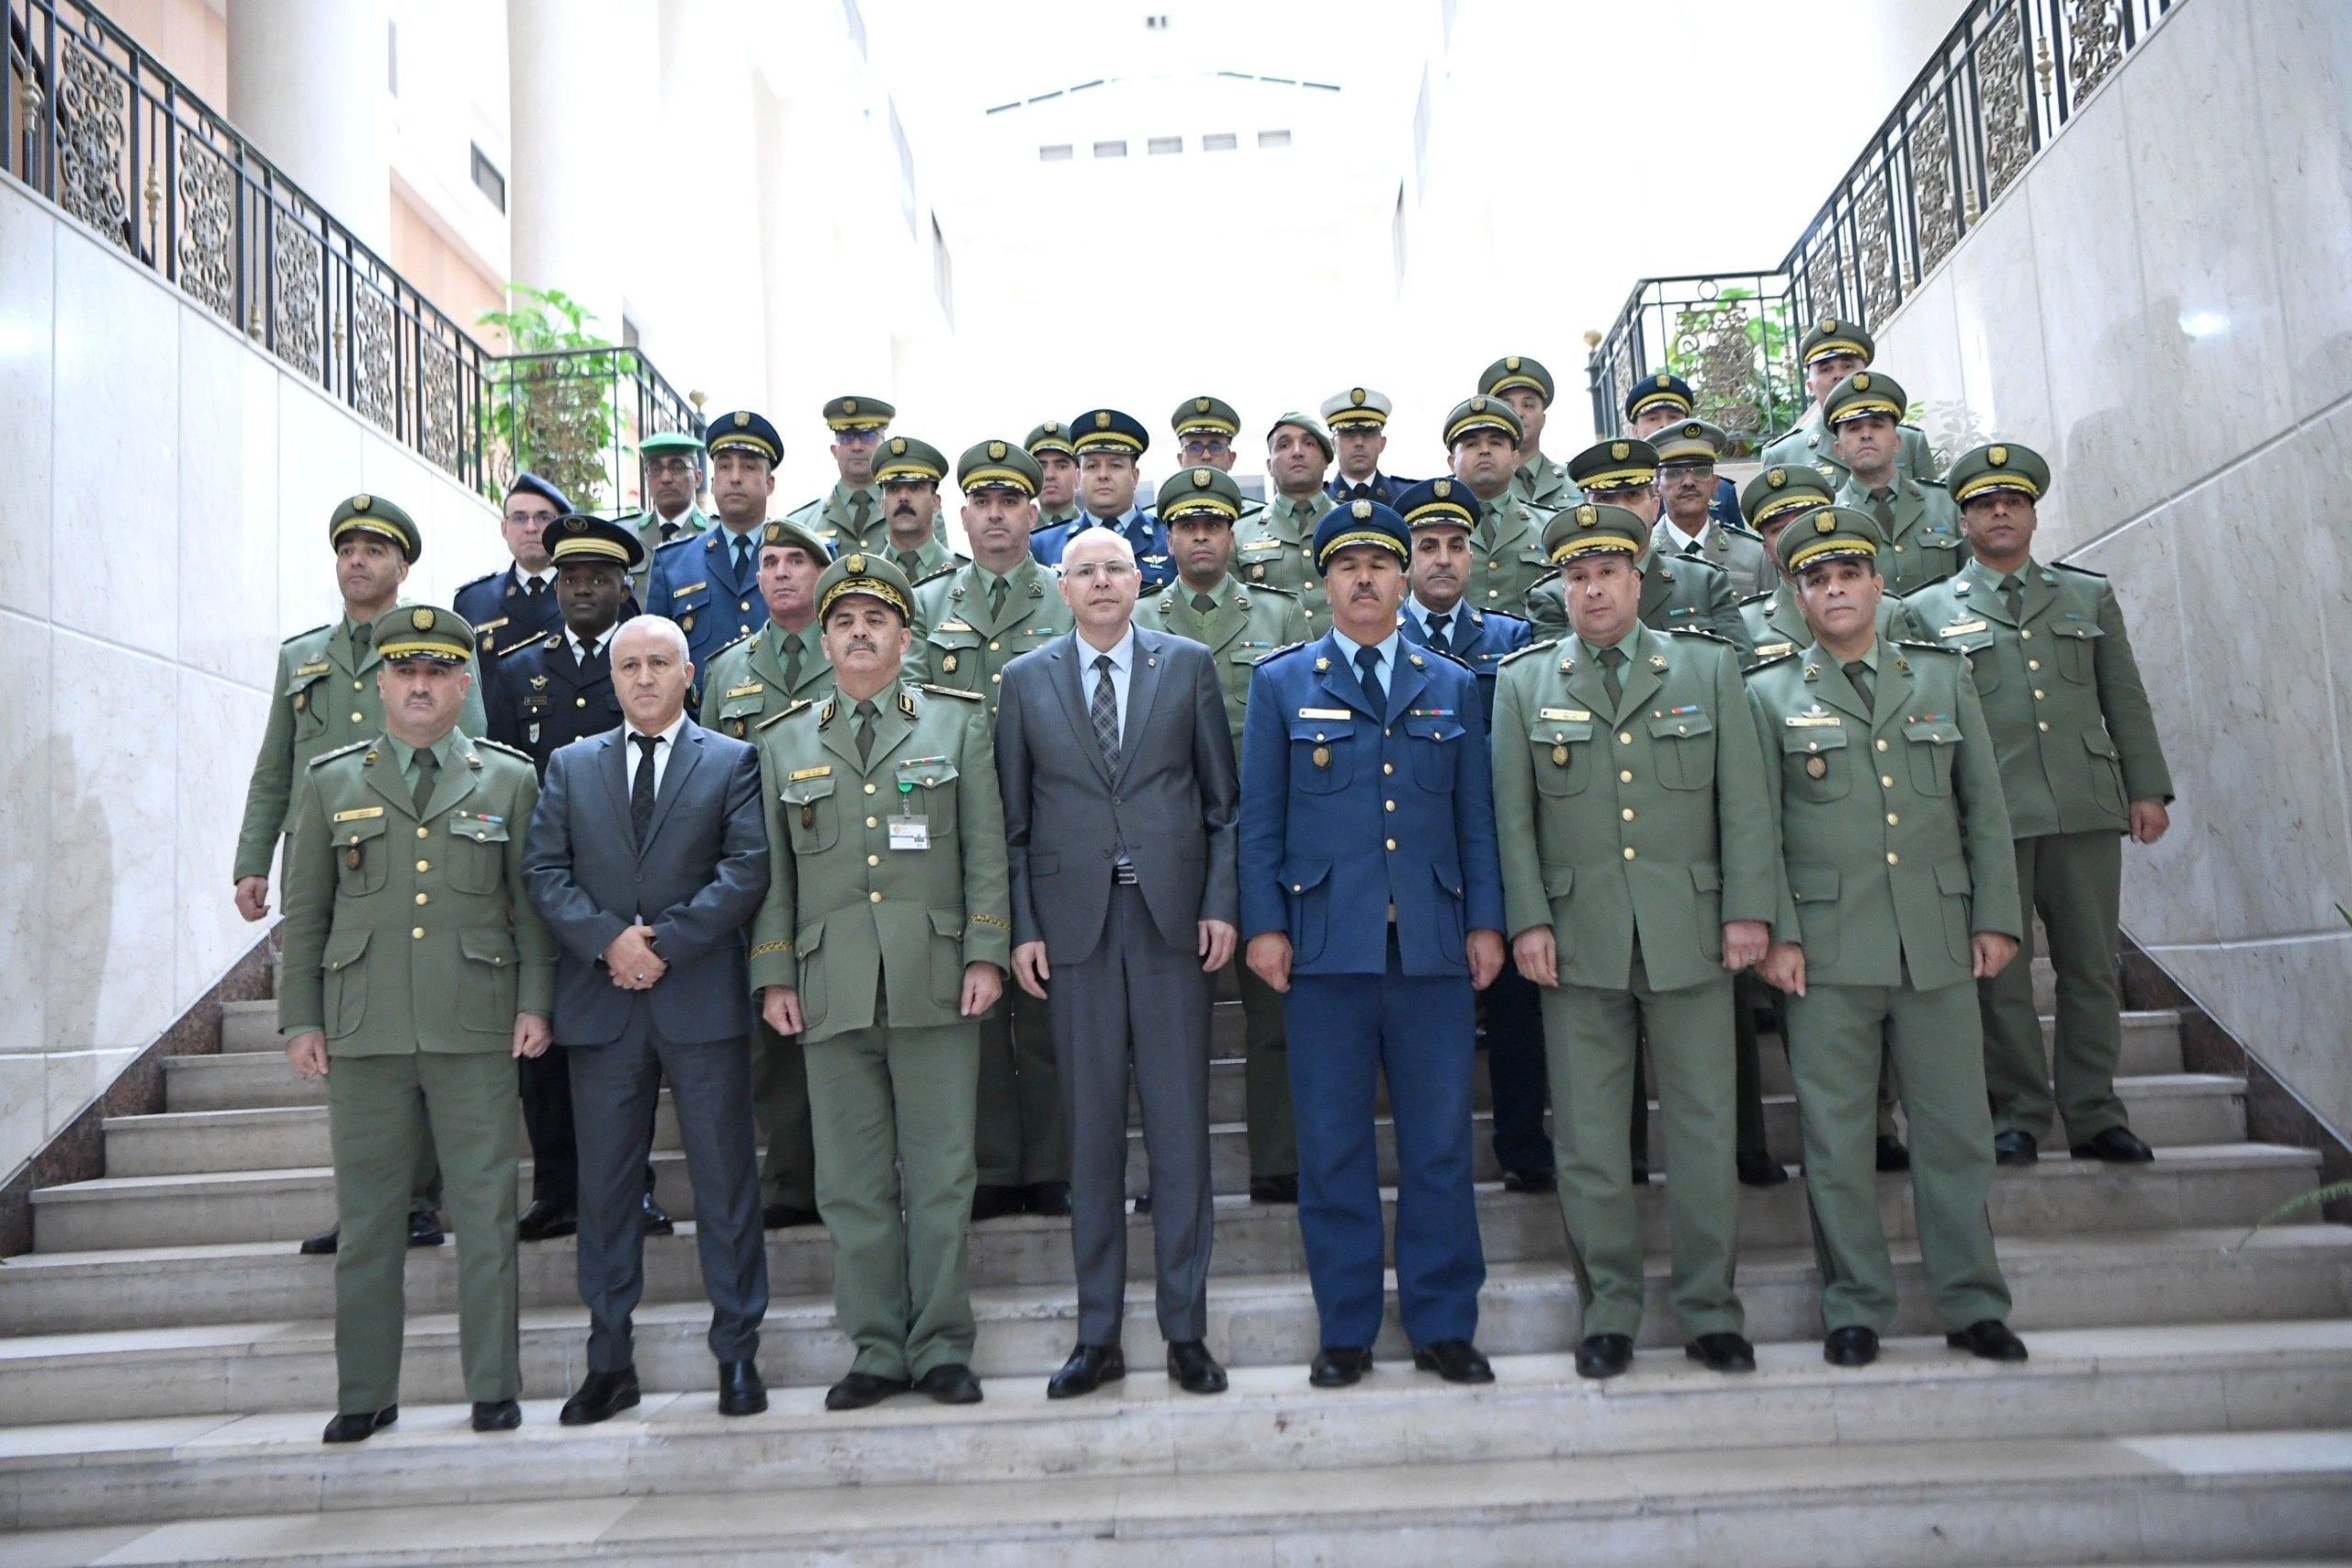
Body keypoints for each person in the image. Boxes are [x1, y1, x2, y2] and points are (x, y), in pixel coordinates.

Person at [1490, 502, 1779, 1381]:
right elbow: (1514, 820)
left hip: (1692, 933)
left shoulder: (1706, 665)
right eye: (1576, 576)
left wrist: (1749, 909)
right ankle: (1609, 1308)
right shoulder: (1523, 682)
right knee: (1588, 1140)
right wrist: (1529, 919)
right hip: (1579, 942)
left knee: (1703, 1129)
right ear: (1560, 587)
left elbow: (1744, 799)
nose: (1592, 590)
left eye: (1607, 572)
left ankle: (1710, 1309)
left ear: (1637, 578)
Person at [1747, 506, 2029, 1370]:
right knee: (1836, 1140)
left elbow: (1983, 807)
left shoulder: (1941, 677)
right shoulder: (1767, 693)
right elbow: (1758, 829)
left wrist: (1995, 916)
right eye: (1816, 578)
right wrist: (1777, 934)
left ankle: (1972, 1300)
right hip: (1827, 951)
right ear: (1797, 596)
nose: (1834, 589)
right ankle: (1854, 1304)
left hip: (1935, 939)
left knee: (1956, 1131)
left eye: (1849, 574)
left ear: (1878, 583)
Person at [1238, 500, 1506, 1390]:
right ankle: (1347, 1328)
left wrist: (1485, 922)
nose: (1364, 579)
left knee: (1439, 1147)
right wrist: (1265, 925)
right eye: (1347, 566)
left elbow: (1475, 819)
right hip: (1325, 952)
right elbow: (1260, 822)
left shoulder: (1450, 683)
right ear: (1323, 582)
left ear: (1403, 578)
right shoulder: (1282, 683)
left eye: (1380, 564)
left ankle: (1443, 1324)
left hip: (1430, 949)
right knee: (1332, 1147)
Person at [276, 604, 554, 1442]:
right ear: (381, 683)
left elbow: (530, 909)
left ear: (464, 685)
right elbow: (307, 913)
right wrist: (300, 1018)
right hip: (365, 1030)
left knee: (486, 1213)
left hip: (476, 1024)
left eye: (437, 671)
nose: (420, 685)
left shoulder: (507, 778)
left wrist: (535, 1001)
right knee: (368, 1222)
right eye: (405, 671)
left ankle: (493, 1385)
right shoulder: (332, 781)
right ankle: (365, 1392)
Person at [749, 552, 1011, 1411]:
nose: (859, 634)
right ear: (824, 640)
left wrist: (986, 951)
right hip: (831, 984)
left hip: (935, 975)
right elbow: (775, 874)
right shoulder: (783, 739)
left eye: (876, 620)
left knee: (941, 1174)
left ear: (906, 636)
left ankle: (940, 1345)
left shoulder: (956, 722)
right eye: (844, 622)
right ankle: (875, 1347)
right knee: (850, 1182)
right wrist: (775, 972)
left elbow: (984, 847)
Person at [997, 527, 1239, 1401]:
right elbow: (1014, 823)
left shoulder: (1188, 666)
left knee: (1180, 1136)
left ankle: (1185, 1331)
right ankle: (1096, 1333)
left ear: (1141, 580)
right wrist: (1024, 927)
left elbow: (1222, 807)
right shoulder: (1025, 680)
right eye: (1084, 571)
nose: (1101, 582)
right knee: (1091, 1138)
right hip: (1076, 934)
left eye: (1115, 568)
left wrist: (1220, 904)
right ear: (1061, 587)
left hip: (1170, 926)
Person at [523, 615, 773, 1426]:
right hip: (603, 1003)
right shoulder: (569, 766)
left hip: (698, 998)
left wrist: (665, 942)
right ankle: (610, 1362)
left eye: (659, 662)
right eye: (629, 664)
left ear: (688, 674)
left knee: (725, 1184)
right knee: (604, 1191)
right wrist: (609, 941)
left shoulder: (731, 760)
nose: (643, 677)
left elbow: (746, 867)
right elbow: (544, 871)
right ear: (613, 678)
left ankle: (738, 1353)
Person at [1896, 443, 2174, 1166]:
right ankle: (2017, 1111)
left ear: (2032, 515)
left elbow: (2124, 697)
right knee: (2001, 976)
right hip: (1989, 822)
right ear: (1962, 520)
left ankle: (2094, 1112)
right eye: (1985, 504)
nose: (2001, 513)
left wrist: (2146, 787)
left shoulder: (2086, 596)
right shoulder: (1927, 611)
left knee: (2091, 968)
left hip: (2083, 807)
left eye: (2013, 502)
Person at [235, 492, 485, 1257]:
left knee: (423, 1026)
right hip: (328, 872)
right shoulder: (300, 657)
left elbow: (472, 757)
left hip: (415, 864)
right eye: (347, 549)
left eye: (374, 550)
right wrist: (251, 861)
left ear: (402, 566)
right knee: (349, 1038)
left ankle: (417, 1199)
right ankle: (369, 1203)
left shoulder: (436, 648)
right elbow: (274, 768)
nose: (357, 561)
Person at [487, 515, 670, 1243]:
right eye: (571, 578)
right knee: (545, 1052)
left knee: (632, 1050)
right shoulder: (516, 671)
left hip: (629, 887)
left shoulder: (646, 665)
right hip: (547, 890)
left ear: (625, 587)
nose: (584, 589)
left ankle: (634, 1188)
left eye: (600, 577)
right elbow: (502, 784)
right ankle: (557, 1190)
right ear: (556, 587)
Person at [1736, 464, 1914, 1176]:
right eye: (1779, 528)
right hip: (1811, 874)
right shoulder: (1749, 631)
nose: (1796, 533)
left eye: (1805, 517)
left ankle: (1882, 1121)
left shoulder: (1898, 626)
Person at [912, 442, 1074, 1218]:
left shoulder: (1065, 595)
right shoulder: (927, 604)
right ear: (963, 514)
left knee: (1046, 1003)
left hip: (1051, 821)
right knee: (972, 1005)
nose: (997, 515)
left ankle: (1051, 1164)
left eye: (1011, 501)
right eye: (983, 502)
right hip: (955, 828)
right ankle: (989, 1166)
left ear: (1034, 513)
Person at [1144, 467, 1309, 1205]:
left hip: (1261, 833)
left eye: (1214, 522)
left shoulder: (1280, 614)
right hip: (1167, 842)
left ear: (1234, 533)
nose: (1202, 536)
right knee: (1168, 1026)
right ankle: (1174, 1177)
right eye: (1187, 524)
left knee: (1275, 1010)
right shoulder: (1138, 617)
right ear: (1169, 536)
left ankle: (1279, 1159)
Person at [1392, 478, 1548, 1195]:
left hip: (1495, 845)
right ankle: (1432, 1152)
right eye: (1428, 546)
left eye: (1456, 545)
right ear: (1407, 559)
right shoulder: (1384, 642)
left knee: (1516, 1007)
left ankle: (1523, 1142)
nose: (1443, 559)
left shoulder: (1511, 641)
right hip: (1417, 848)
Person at [695, 519, 834, 1231]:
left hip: (837, 862)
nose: (780, 572)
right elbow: (705, 773)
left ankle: (853, 1171)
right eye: (771, 561)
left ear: (822, 574)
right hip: (756, 871)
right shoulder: (728, 670)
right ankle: (792, 1178)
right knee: (773, 1039)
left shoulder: (850, 647)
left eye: (796, 561)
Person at [1524, 438, 1752, 660]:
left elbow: (1736, 669)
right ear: (1585, 512)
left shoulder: (1704, 582)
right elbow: (1554, 677)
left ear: (1655, 507)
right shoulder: (1553, 597)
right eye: (1605, 498)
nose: (1621, 509)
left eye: (1633, 496)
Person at [644, 412, 784, 674]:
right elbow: (655, 660)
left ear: (770, 483)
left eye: (749, 467)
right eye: (724, 467)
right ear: (711, 482)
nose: (735, 477)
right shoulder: (673, 564)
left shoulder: (802, 557)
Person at [1826, 372, 1968, 597]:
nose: (1866, 435)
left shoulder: (1946, 504)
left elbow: (1972, 578)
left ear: (1897, 442)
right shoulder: (1830, 518)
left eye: (1877, 425)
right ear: (1839, 450)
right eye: (1853, 428)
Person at [1760, 317, 1941, 488]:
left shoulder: (1909, 442)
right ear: (1810, 387)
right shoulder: (1784, 455)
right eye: (1826, 369)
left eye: (1847, 366)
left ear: (1865, 376)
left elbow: (1932, 505)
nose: (1838, 375)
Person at [1032, 409, 1174, 591]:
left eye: (1115, 465)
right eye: (1092, 466)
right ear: (1078, 477)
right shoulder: (1043, 546)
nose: (1103, 475)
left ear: (1135, 476)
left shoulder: (1168, 539)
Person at [1441, 396, 1555, 619]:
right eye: (1471, 444)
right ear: (1452, 462)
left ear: (1515, 459)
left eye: (1496, 443)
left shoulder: (1549, 528)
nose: (1484, 450)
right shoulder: (1429, 532)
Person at [457, 472, 571, 671]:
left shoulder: (586, 595)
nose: (531, 528)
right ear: (504, 528)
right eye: (519, 518)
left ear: (559, 527)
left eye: (543, 518)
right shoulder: (472, 601)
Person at [1231, 412, 1337, 627]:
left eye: (1309, 443)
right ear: (1269, 465)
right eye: (1284, 445)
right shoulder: (1239, 532)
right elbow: (1233, 611)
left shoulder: (1351, 524)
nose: (1297, 452)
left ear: (1326, 460)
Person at [1651, 420, 1770, 597]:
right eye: (1675, 472)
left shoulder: (1754, 556)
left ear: (1715, 484)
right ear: (1657, 487)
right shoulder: (1641, 557)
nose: (1689, 482)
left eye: (1700, 471)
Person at [1624, 372, 1741, 533]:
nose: (1664, 425)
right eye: (1653, 419)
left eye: (1673, 417)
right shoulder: (1625, 494)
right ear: (1635, 431)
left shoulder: (1723, 491)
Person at [784, 395, 895, 553]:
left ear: (884, 446)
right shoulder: (801, 524)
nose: (857, 447)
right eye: (846, 437)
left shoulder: (915, 515)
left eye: (868, 436)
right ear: (834, 450)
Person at [1479, 355, 1577, 510]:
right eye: (1508, 406)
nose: (1518, 413)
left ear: (1543, 419)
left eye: (1528, 405)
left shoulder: (1576, 481)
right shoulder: (1476, 486)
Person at [623, 431, 712, 602]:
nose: (665, 478)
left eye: (677, 467)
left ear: (698, 477)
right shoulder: (628, 536)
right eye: (655, 469)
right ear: (647, 478)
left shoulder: (716, 533)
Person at [872, 436, 965, 581]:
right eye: (893, 489)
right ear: (882, 505)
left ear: (936, 502)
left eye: (915, 487)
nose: (903, 497)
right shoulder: (867, 578)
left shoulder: (962, 574)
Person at [1322, 387, 1416, 505]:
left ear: (1382, 443)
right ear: (1333, 444)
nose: (1359, 443)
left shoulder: (1408, 497)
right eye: (1348, 433)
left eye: (1368, 433)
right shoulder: (1317, 502)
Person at [1027, 421, 1084, 534]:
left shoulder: (1093, 532)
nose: (1050, 475)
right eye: (1041, 467)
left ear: (1078, 476)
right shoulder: (1020, 534)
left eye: (1061, 467)